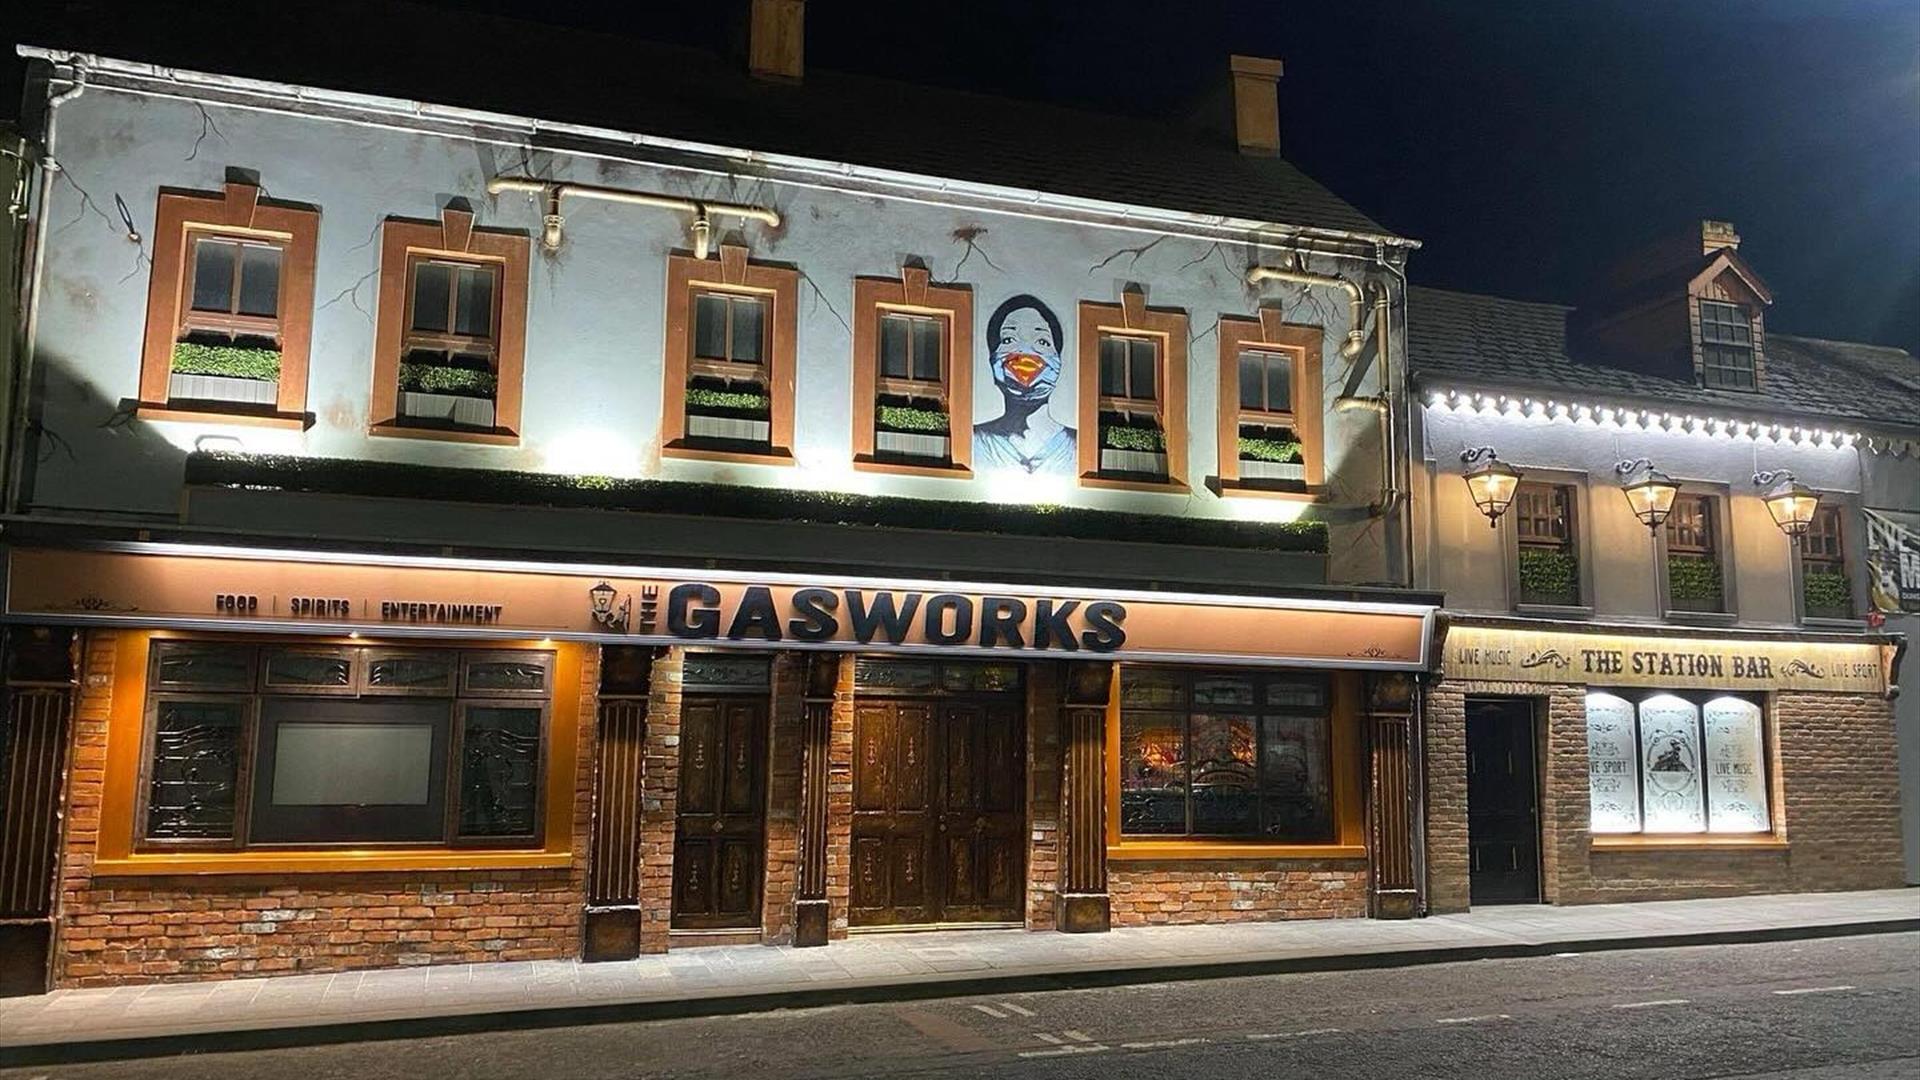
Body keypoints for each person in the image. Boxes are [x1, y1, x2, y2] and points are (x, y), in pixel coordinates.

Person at [972, 294, 1076, 474]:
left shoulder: (1077, 447)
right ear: (992, 358)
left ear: (1058, 358)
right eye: (1008, 340)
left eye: (1042, 341)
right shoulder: (975, 442)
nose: (1025, 352)